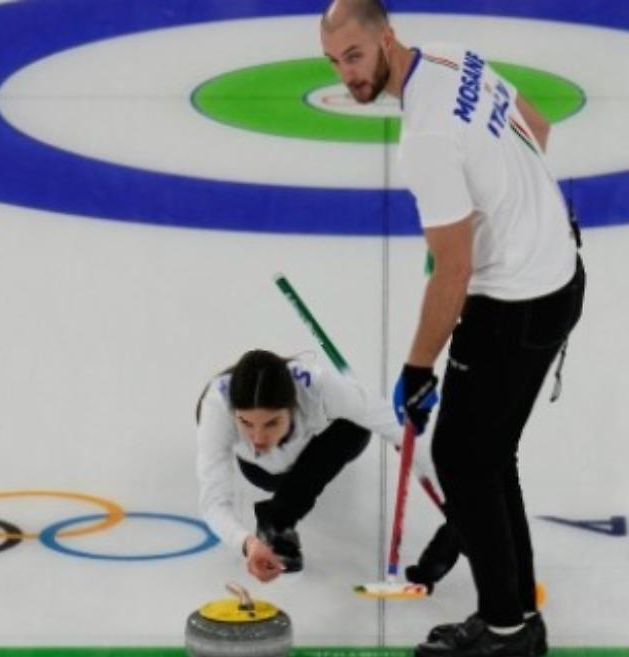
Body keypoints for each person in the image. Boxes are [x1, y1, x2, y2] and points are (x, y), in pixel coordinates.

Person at [320, 2, 586, 657]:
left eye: (354, 55)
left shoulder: (425, 138)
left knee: (462, 462)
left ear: (386, 38)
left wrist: (417, 369)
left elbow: (455, 269)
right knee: (489, 455)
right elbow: (538, 129)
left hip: (515, 304)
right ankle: (516, 619)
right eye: (334, 62)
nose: (347, 73)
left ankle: (505, 631)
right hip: (561, 272)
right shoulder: (453, 57)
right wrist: (501, 219)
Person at [195, 348, 436, 583]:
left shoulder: (318, 387)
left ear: (292, 406)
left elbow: (398, 427)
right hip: (261, 472)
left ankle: (277, 518)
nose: (257, 438)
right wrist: (248, 543)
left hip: (306, 456)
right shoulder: (217, 406)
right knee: (350, 422)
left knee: (356, 425)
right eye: (246, 423)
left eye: (271, 423)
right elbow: (213, 502)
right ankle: (276, 522)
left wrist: (453, 500)